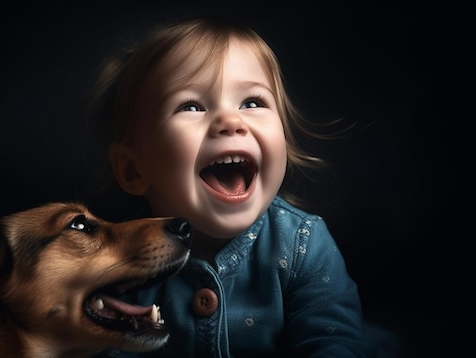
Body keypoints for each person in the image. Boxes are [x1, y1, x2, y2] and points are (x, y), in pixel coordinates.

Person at [84, 15, 378, 357]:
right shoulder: (119, 257)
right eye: (191, 106)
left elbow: (333, 343)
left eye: (252, 103)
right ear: (134, 170)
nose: (230, 121)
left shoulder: (303, 246)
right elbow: (104, 345)